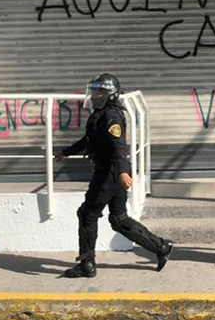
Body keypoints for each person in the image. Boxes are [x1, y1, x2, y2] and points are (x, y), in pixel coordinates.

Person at [54, 73, 173, 278]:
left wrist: (124, 172)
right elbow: (88, 140)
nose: (94, 94)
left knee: (87, 214)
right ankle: (160, 246)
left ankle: (86, 264)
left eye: (99, 90)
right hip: (114, 175)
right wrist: (66, 152)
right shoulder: (102, 114)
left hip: (109, 175)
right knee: (119, 219)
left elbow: (119, 146)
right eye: (94, 90)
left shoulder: (111, 116)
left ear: (110, 94)